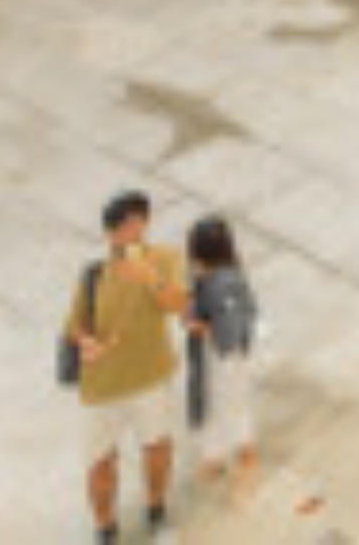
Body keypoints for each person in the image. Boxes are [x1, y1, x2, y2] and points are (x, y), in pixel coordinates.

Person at [65, 191, 189, 541]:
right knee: (100, 463)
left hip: (150, 377)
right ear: (110, 234)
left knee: (157, 447)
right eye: (123, 227)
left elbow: (179, 305)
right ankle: (105, 526)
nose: (132, 233)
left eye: (138, 223)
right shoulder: (94, 274)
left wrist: (151, 278)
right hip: (102, 387)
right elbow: (74, 325)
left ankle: (156, 505)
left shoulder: (164, 259)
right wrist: (87, 344)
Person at [185, 214, 263, 504]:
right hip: (222, 357)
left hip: (224, 359)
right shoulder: (218, 273)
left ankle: (239, 459)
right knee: (221, 405)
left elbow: (227, 331)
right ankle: (218, 456)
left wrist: (195, 326)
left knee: (226, 404)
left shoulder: (225, 283)